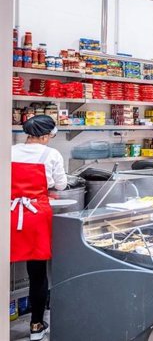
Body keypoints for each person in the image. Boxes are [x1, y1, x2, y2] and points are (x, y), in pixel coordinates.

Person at [11, 115, 67, 340]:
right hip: (35, 217)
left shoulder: (11, 150)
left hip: (10, 213)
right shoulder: (51, 154)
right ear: (45, 135)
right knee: (37, 274)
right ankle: (36, 325)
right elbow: (61, 184)